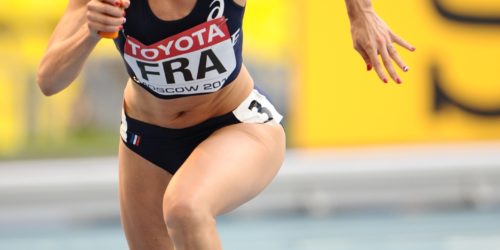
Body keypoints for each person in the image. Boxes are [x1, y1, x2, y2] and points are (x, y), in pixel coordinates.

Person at [37, 0, 414, 249]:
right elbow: (49, 80)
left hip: (235, 123)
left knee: (186, 208)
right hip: (146, 139)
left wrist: (360, 14)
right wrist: (89, 33)